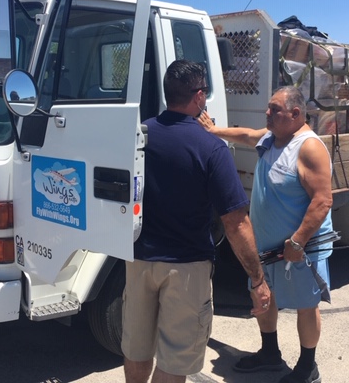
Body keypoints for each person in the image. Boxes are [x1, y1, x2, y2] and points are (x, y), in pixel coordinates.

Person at [122, 59, 271, 383]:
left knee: (136, 349)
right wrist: (257, 279)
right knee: (175, 360)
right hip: (187, 268)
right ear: (199, 96)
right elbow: (236, 223)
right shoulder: (211, 148)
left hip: (138, 260)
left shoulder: (139, 137)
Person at [198, 85, 333, 383]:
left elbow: (322, 200)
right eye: (269, 108)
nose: (267, 114)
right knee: (262, 297)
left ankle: (307, 368)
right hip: (266, 247)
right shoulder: (273, 138)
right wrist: (214, 130)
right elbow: (246, 135)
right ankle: (270, 354)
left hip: (300, 250)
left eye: (274, 109)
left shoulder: (308, 147)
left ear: (296, 114)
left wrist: (298, 240)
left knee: (305, 307)